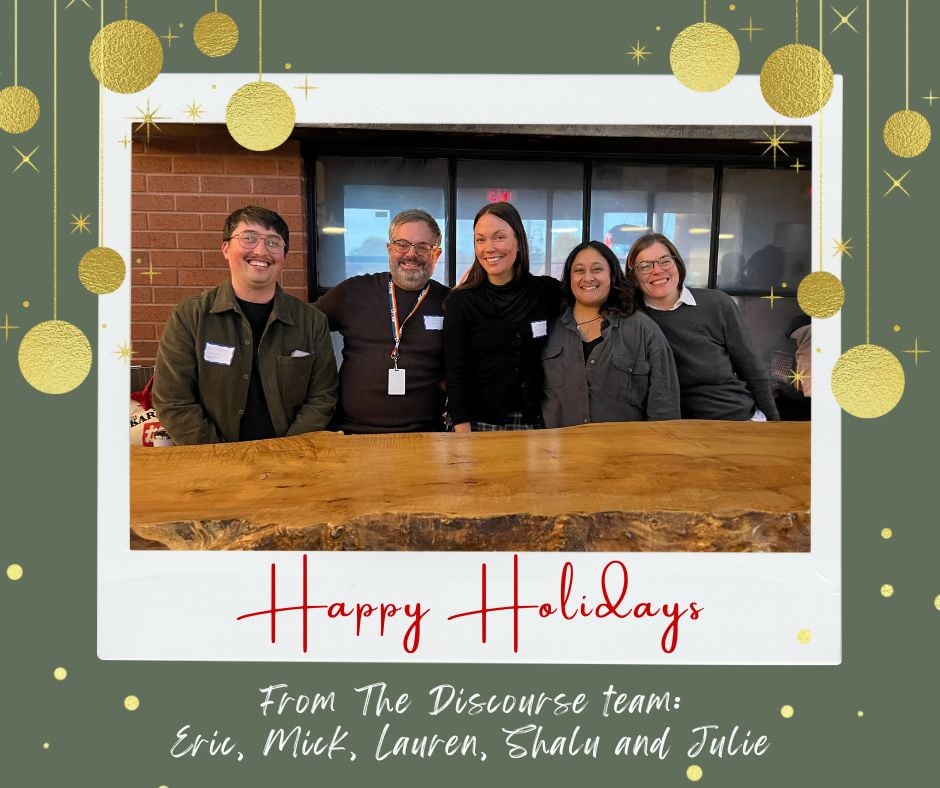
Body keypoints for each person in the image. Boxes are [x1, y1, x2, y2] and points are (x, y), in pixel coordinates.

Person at [153, 205, 338, 444]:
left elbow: (323, 397)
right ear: (226, 248)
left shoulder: (311, 321)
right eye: (249, 238)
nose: (261, 250)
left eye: (273, 242)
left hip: (293, 461)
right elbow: (173, 401)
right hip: (213, 463)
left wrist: (288, 451)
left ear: (284, 255)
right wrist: (220, 455)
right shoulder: (190, 317)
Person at [315, 209, 450, 433]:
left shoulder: (449, 303)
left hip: (426, 437)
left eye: (423, 246)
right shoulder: (354, 292)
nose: (411, 254)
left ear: (436, 254)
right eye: (402, 244)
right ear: (390, 249)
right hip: (352, 435)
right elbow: (301, 326)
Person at [625, 232, 779, 421]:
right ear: (633, 276)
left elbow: (753, 369)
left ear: (677, 264)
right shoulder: (632, 320)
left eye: (665, 261)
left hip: (737, 417)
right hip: (679, 428)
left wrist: (774, 423)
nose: (657, 271)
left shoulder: (717, 304)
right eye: (645, 266)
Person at [443, 201, 561, 431]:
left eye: (499, 237)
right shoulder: (462, 301)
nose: (489, 248)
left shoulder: (547, 292)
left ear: (518, 241)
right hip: (476, 423)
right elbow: (455, 373)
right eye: (480, 239)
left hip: (533, 421)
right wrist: (462, 433)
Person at [542, 241, 680, 427]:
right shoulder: (548, 329)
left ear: (612, 276)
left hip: (626, 453)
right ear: (569, 277)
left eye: (597, 269)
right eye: (579, 271)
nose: (588, 277)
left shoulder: (644, 330)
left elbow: (665, 408)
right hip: (558, 453)